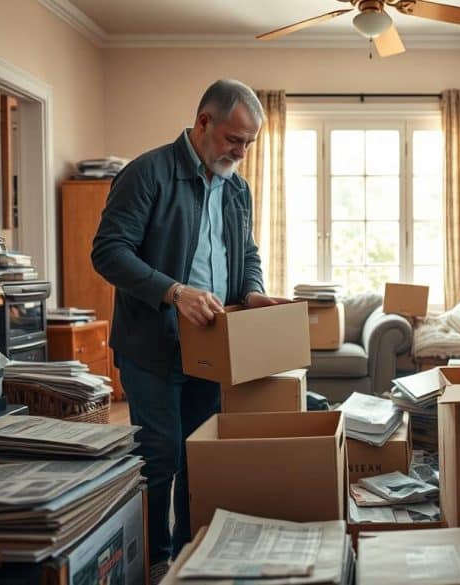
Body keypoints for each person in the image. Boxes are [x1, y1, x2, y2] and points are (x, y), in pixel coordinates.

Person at [92, 79, 277, 581]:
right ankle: (153, 560)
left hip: (212, 347)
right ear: (204, 123)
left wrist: (253, 290)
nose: (240, 152)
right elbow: (108, 252)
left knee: (200, 452)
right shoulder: (147, 173)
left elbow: (248, 253)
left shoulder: (238, 187)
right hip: (152, 345)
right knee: (161, 454)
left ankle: (191, 555)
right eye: (233, 140)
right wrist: (174, 292)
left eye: (248, 144)